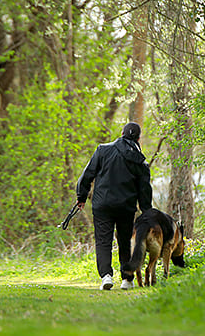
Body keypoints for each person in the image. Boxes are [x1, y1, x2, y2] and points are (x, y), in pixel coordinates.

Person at [76, 122, 152, 290]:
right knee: (125, 241)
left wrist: (81, 196)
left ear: (122, 133)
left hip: (103, 204)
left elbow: (87, 174)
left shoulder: (103, 150)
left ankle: (106, 276)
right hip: (126, 207)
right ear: (138, 138)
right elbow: (144, 189)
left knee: (103, 241)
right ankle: (127, 279)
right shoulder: (141, 162)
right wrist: (146, 210)